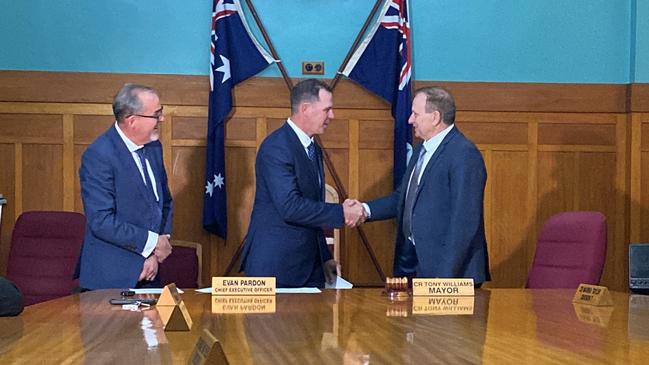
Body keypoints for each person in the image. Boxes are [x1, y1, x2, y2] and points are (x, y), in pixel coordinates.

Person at [357, 87, 490, 285]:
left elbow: (464, 222)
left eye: (416, 114)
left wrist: (444, 279)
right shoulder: (421, 149)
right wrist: (364, 210)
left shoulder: (464, 154)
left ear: (435, 117)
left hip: (450, 275)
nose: (410, 120)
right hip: (414, 266)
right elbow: (403, 199)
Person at [240, 79, 365, 288]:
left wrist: (324, 257)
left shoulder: (313, 147)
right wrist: (341, 213)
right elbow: (290, 206)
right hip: (277, 267)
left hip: (308, 267)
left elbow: (311, 209)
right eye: (327, 110)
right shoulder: (276, 147)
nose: (332, 116)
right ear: (305, 109)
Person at [77, 84, 173, 289]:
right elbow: (101, 221)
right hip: (111, 279)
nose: (162, 119)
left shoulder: (154, 147)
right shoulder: (99, 155)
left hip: (150, 273)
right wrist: (152, 243)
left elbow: (164, 203)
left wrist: (154, 253)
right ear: (132, 120)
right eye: (157, 115)